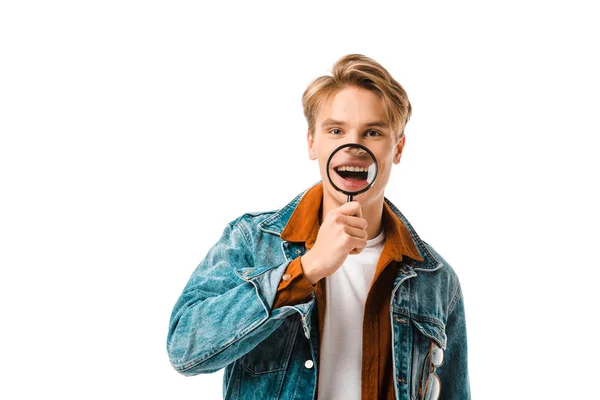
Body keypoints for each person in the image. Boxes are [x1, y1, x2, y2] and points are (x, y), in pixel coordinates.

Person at [167, 54, 470, 400]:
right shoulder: (252, 241)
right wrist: (305, 269)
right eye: (336, 130)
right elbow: (184, 349)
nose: (352, 148)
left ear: (397, 148)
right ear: (313, 142)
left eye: (372, 132)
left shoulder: (436, 279)